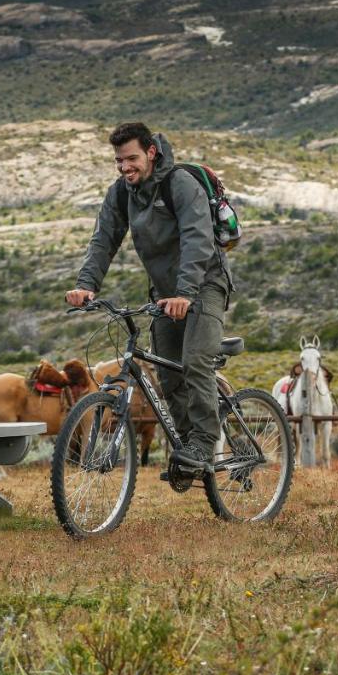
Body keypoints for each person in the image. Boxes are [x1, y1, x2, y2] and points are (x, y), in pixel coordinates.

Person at [66, 122, 232, 473]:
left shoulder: (180, 185)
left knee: (195, 362)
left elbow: (197, 239)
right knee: (168, 376)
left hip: (204, 286)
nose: (125, 167)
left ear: (151, 153)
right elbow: (103, 240)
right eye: (119, 161)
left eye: (132, 159)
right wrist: (86, 285)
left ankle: (203, 444)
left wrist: (186, 293)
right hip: (165, 295)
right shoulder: (122, 192)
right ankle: (188, 451)